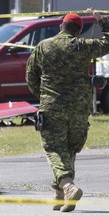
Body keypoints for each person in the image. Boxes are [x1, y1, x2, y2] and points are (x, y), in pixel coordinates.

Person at [26, 8, 109, 212]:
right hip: (79, 107)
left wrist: (44, 95)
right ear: (78, 32)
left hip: (52, 106)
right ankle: (61, 194)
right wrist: (102, 21)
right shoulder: (82, 46)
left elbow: (30, 76)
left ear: (60, 27)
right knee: (70, 149)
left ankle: (67, 186)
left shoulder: (43, 47)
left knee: (54, 149)